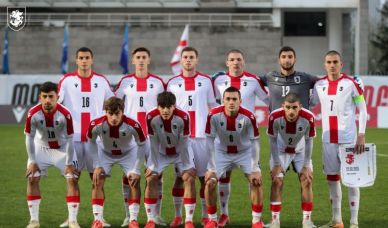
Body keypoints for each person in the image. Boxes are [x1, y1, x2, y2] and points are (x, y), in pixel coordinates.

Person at [58, 47, 114, 227]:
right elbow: (57, 104)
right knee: (72, 178)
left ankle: (98, 218)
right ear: (76, 60)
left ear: (92, 60)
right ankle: (72, 219)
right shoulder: (66, 81)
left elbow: (112, 104)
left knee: (97, 179)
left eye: (87, 57)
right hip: (72, 139)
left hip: (96, 140)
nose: (84, 60)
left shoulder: (102, 81)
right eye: (81, 58)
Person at [212, 49, 268, 227]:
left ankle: (256, 221)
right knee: (221, 178)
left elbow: (268, 100)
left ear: (243, 62)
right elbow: (212, 102)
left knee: (255, 179)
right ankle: (224, 214)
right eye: (232, 60)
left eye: (238, 59)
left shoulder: (253, 81)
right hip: (222, 140)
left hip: (246, 142)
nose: (235, 62)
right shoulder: (218, 81)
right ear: (227, 63)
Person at [311, 50, 367, 228]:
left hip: (348, 138)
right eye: (329, 62)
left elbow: (363, 110)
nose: (332, 65)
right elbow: (310, 102)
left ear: (341, 64)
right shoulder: (319, 85)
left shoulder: (351, 84)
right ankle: (337, 220)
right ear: (324, 64)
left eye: (335, 62)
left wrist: (361, 134)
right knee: (332, 179)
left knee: (351, 179)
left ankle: (354, 222)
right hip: (328, 138)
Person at [115, 47, 166, 226]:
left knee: (156, 175)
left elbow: (165, 107)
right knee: (129, 176)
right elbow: (115, 104)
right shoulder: (125, 82)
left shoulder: (158, 82)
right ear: (133, 60)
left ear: (149, 60)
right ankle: (129, 215)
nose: (142, 60)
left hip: (153, 136)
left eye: (144, 57)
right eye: (138, 57)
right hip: (130, 137)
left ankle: (156, 215)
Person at [167, 46, 217, 227]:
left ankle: (205, 216)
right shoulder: (172, 83)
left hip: (203, 137)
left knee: (205, 178)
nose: (188, 60)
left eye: (191, 57)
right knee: (183, 177)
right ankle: (182, 217)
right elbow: (167, 110)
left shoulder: (206, 81)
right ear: (180, 60)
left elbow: (212, 107)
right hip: (182, 139)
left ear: (197, 60)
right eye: (185, 57)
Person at [204, 86, 264, 228]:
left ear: (240, 101)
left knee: (256, 181)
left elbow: (255, 142)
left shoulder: (249, 116)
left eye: (234, 99)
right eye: (228, 99)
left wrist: (255, 168)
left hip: (244, 152)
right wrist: (211, 168)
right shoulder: (213, 115)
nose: (231, 102)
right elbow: (209, 141)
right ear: (223, 101)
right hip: (221, 152)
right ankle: (212, 219)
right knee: (210, 182)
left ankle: (256, 221)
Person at [24, 82, 80, 228]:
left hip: (62, 149)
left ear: (57, 97)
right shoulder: (33, 113)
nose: (48, 100)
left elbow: (69, 140)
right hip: (41, 148)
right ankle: (34, 221)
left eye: (51, 96)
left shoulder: (65, 114)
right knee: (32, 178)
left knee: (72, 179)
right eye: (45, 97)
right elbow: (29, 138)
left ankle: (73, 221)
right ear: (40, 97)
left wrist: (68, 163)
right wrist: (32, 160)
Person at [87, 97, 146, 228]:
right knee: (97, 179)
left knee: (133, 181)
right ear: (105, 112)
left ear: (122, 112)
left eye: (117, 113)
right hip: (105, 153)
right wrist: (97, 165)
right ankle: (97, 220)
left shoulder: (133, 124)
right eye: (110, 113)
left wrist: (136, 169)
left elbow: (142, 144)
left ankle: (133, 220)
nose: (113, 118)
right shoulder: (96, 124)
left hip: (128, 153)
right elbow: (91, 141)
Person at [144, 91, 196, 228]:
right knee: (151, 178)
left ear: (174, 106)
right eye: (162, 107)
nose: (165, 110)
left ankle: (187, 220)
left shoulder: (183, 117)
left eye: (169, 107)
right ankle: (150, 220)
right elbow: (153, 142)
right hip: (161, 152)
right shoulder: (150, 116)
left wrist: (186, 165)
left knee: (188, 178)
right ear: (158, 106)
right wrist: (153, 165)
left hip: (180, 152)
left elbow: (184, 143)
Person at [267, 93, 316, 228]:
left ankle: (307, 220)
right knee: (277, 180)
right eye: (288, 107)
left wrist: (306, 165)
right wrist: (276, 164)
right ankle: (275, 221)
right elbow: (271, 140)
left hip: (300, 151)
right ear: (283, 106)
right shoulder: (275, 117)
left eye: (294, 107)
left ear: (300, 107)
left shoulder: (308, 118)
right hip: (281, 151)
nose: (291, 111)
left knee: (307, 180)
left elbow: (309, 141)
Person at [261, 46, 318, 112]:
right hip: (277, 121)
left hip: (301, 122)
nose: (287, 60)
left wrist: (312, 103)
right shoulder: (270, 77)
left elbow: (324, 82)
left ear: (295, 60)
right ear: (279, 60)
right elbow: (251, 80)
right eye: (283, 57)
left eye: (290, 57)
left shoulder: (306, 78)